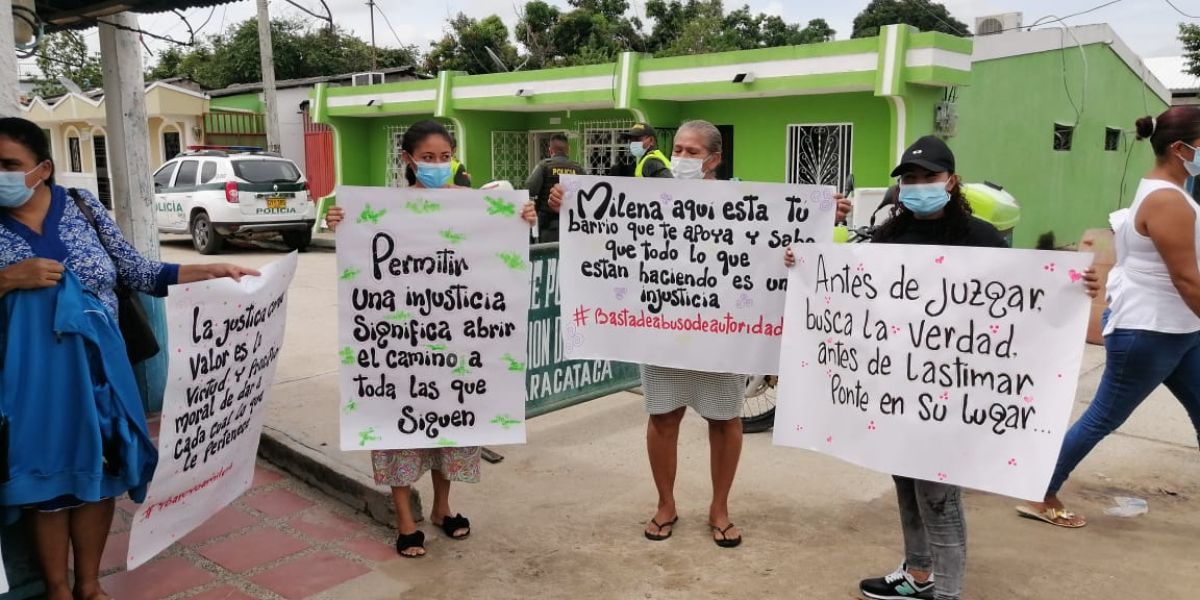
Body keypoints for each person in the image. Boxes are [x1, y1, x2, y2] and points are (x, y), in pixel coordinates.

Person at [0, 116, 257, 600]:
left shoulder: (82, 206)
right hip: (31, 383)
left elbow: (138, 271)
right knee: (48, 487)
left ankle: (90, 585)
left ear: (43, 168)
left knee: (103, 476)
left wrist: (213, 269)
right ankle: (57, 589)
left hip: (103, 375)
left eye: (9, 164)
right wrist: (8, 279)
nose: (1, 174)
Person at [788, 135, 1004, 600]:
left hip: (952, 394)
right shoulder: (887, 235)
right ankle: (918, 574)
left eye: (929, 177)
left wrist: (1077, 286)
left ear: (952, 181)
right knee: (905, 481)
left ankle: (948, 592)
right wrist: (803, 261)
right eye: (910, 178)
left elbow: (1022, 305)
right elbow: (844, 286)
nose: (919, 185)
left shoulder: (982, 239)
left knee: (939, 496)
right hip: (898, 392)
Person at [325, 120, 536, 558]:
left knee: (450, 423)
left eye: (445, 158)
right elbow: (358, 255)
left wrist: (523, 218)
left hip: (456, 341)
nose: (438, 166)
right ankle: (405, 520)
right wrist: (338, 221)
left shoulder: (474, 205)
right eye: (428, 158)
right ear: (407, 160)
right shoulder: (380, 208)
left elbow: (501, 248)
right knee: (397, 425)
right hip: (400, 344)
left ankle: (443, 508)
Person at [1020, 107, 1200, 529]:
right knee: (1104, 415)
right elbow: (1187, 281)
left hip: (1179, 328)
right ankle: (1040, 491)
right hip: (1151, 332)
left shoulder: (1165, 190)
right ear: (1179, 148)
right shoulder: (1168, 202)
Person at [525, 133, 584, 242]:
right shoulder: (578, 168)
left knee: (549, 254)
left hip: (548, 224)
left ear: (551, 150)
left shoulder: (544, 166)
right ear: (568, 150)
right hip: (573, 223)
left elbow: (529, 189)